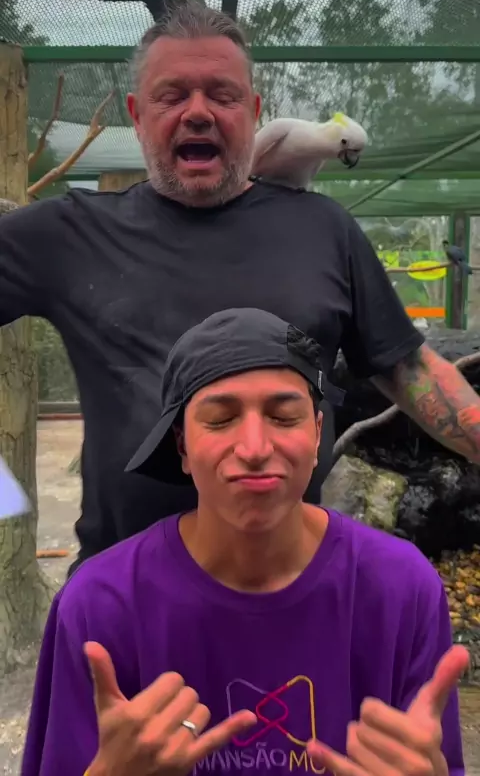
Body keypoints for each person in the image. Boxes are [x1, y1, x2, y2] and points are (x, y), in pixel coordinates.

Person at [2, 0, 480, 574]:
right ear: (137, 115)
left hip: (292, 586)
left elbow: (408, 366)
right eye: (171, 96)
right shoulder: (69, 233)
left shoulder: (323, 227)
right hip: (127, 591)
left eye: (222, 95)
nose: (197, 112)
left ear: (253, 112)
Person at [21, 308, 467, 776]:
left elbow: (434, 760)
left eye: (283, 416)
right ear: (182, 445)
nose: (254, 448)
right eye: (220, 419)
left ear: (317, 434)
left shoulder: (400, 590)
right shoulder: (100, 606)